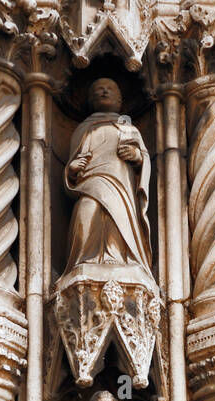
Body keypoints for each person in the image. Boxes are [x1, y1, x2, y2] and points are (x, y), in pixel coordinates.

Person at [63, 76, 152, 275]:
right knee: (87, 212)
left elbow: (144, 158)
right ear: (90, 101)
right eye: (98, 89)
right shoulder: (83, 129)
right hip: (89, 185)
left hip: (121, 187)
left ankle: (117, 257)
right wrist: (72, 169)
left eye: (110, 88)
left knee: (117, 219)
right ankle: (85, 259)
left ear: (120, 100)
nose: (104, 91)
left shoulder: (129, 128)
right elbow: (72, 164)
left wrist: (138, 157)